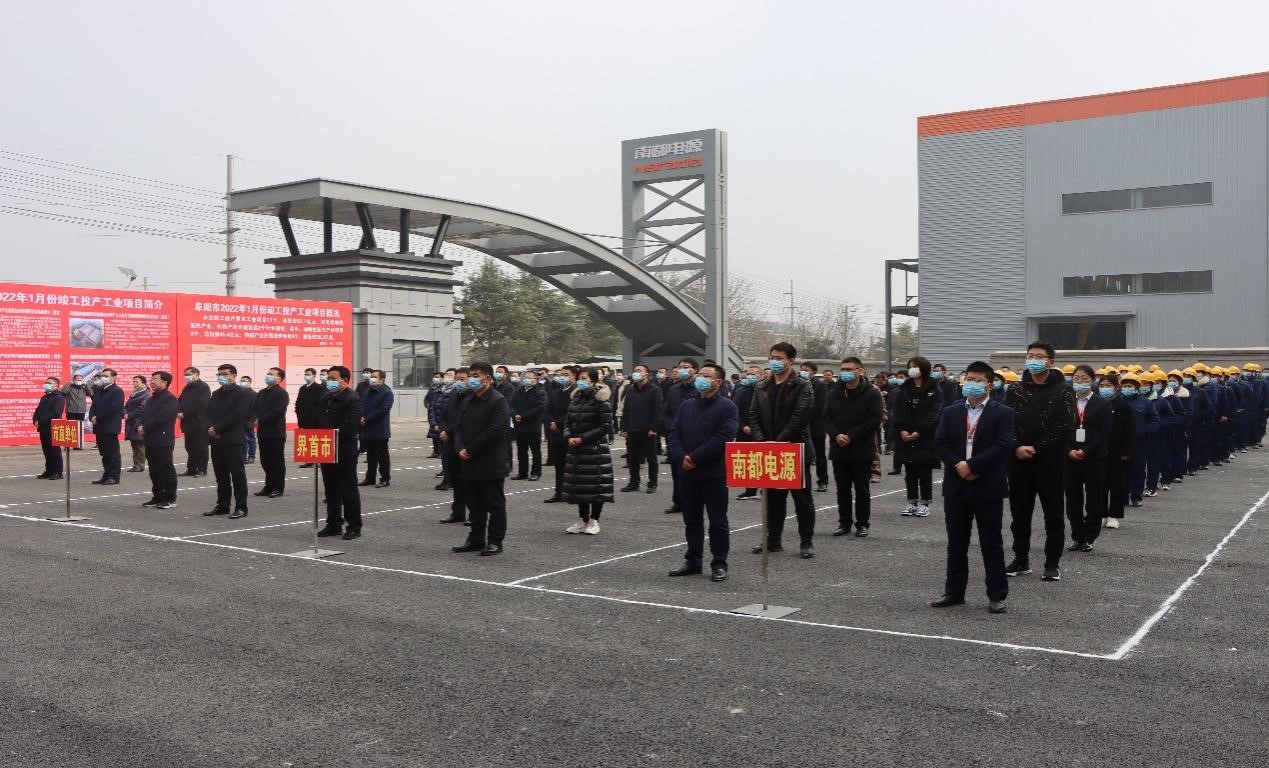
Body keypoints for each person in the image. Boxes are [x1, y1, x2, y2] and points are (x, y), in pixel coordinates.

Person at [930, 361, 1015, 614]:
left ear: (989, 384)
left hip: (987, 485)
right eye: (969, 379)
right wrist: (959, 464)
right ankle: (954, 592)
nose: (972, 384)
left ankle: (997, 595)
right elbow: (940, 442)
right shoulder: (952, 411)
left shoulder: (1003, 412)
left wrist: (974, 465)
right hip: (957, 485)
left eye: (978, 380)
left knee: (991, 543)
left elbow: (1003, 445)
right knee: (956, 543)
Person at [1004, 341, 1076, 582]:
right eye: (1030, 356)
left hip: (1050, 461)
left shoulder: (1064, 390)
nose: (1033, 360)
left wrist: (1037, 447)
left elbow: (1065, 425)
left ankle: (1052, 563)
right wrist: (1016, 446)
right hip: (1018, 461)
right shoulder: (1015, 389)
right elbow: (1007, 421)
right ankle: (1020, 558)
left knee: (1053, 514)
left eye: (1039, 356)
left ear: (1050, 362)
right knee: (1019, 513)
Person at [746, 342, 817, 558]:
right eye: (772, 357)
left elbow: (800, 416)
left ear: (791, 360)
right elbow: (753, 414)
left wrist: (779, 441)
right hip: (768, 450)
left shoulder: (802, 385)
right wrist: (761, 440)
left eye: (779, 358)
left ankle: (806, 542)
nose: (774, 361)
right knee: (773, 499)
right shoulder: (762, 386)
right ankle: (773, 540)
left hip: (793, 449)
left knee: (802, 499)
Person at [668, 363, 738, 580]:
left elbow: (723, 437)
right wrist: (681, 457)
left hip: (713, 474)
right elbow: (674, 434)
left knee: (717, 521)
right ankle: (693, 561)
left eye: (706, 376)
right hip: (687, 474)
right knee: (692, 521)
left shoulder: (727, 407)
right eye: (700, 375)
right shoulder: (687, 406)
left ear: (718, 382)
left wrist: (695, 457)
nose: (701, 379)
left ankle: (719, 563)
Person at [451, 362, 511, 555]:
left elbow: (496, 430)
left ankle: (495, 541)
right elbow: (458, 427)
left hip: (490, 461)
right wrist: (460, 448)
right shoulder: (469, 400)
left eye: (476, 375)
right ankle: (476, 539)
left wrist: (470, 449)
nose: (472, 379)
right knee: (474, 503)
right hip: (469, 461)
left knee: (494, 503)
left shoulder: (497, 400)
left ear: (487, 378)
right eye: (471, 375)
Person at [823, 357, 883, 538]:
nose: (845, 372)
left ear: (859, 371)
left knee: (862, 489)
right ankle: (844, 523)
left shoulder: (871, 393)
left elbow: (874, 419)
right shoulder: (834, 393)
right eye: (843, 369)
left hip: (861, 448)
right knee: (842, 489)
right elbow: (826, 417)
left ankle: (862, 524)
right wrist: (836, 435)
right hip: (839, 448)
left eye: (849, 369)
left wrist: (851, 435)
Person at [561, 368, 615, 535]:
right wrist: (568, 436)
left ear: (593, 380)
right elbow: (567, 421)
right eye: (579, 378)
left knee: (597, 485)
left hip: (595, 449)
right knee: (580, 485)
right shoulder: (575, 398)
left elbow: (605, 426)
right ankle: (582, 519)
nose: (581, 381)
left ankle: (594, 520)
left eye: (584, 378)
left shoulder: (601, 400)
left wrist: (583, 438)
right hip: (576, 449)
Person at [1064, 365, 1112, 552]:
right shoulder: (1067, 402)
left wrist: (1086, 450)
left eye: (1084, 378)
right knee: (1072, 498)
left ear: (1092, 380)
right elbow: (1060, 428)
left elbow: (1105, 431)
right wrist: (1069, 450)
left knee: (1094, 498)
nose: (1079, 381)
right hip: (1070, 457)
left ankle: (1090, 537)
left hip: (1094, 457)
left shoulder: (1102, 403)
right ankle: (1077, 535)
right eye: (1076, 378)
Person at [316, 366, 364, 540]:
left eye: (334, 378)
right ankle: (334, 523)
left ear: (345, 380)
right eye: (329, 378)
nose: (330, 381)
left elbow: (349, 427)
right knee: (330, 489)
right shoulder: (326, 397)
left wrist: (329, 435)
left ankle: (354, 526)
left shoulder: (352, 398)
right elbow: (319, 420)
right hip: (326, 448)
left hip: (344, 449)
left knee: (348, 489)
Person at [892, 356, 943, 517]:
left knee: (924, 471)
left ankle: (925, 503)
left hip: (925, 437)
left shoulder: (934, 389)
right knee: (910, 472)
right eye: (909, 366)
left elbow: (933, 414)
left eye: (915, 366)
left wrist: (919, 431)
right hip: (905, 436)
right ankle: (911, 502)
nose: (911, 369)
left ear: (923, 368)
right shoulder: (904, 389)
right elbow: (897, 411)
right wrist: (901, 429)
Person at [204, 364, 253, 519]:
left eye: (224, 374)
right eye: (219, 374)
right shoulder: (216, 393)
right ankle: (222, 505)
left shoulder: (241, 393)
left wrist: (217, 428)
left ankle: (241, 507)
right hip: (216, 440)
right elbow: (207, 413)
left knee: (237, 475)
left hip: (233, 440)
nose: (221, 377)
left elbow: (238, 415)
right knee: (221, 475)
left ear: (234, 376)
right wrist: (211, 428)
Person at [662, 358, 700, 514]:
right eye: (681, 367)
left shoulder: (700, 389)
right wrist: (673, 429)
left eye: (686, 367)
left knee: (694, 472)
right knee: (676, 472)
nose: (683, 370)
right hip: (676, 438)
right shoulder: (673, 390)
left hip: (695, 438)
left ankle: (694, 503)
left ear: (695, 370)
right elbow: (667, 412)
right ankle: (678, 502)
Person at [620, 363, 664, 494]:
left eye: (639, 370)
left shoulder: (654, 390)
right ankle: (634, 482)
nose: (636, 373)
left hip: (648, 430)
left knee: (651, 458)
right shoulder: (631, 390)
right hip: (633, 429)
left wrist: (654, 428)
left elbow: (658, 411)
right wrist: (624, 428)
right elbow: (626, 410)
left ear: (646, 374)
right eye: (635, 370)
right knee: (632, 458)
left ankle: (652, 483)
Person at [138, 371, 180, 509]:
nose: (152, 382)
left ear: (165, 382)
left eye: (155, 379)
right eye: (151, 379)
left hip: (163, 439)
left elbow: (162, 418)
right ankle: (157, 496)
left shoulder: (170, 399)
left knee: (165, 469)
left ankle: (170, 498)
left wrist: (145, 427)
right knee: (154, 470)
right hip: (150, 438)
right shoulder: (151, 399)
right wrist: (140, 425)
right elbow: (144, 415)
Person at [1099, 373, 1134, 529]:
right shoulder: (1096, 404)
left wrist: (1127, 451)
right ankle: (1101, 514)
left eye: (1108, 386)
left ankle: (1114, 515)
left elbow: (1129, 430)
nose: (1104, 389)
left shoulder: (1123, 406)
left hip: (1117, 451)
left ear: (1116, 387)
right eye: (1101, 386)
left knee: (1116, 485)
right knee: (1099, 485)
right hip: (1098, 450)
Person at [1120, 372, 1159, 510]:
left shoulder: (1146, 403)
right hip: (1120, 443)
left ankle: (1136, 497)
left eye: (1130, 386)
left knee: (1138, 471)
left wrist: (1144, 432)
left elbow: (1154, 421)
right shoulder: (1117, 402)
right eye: (1124, 386)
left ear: (1136, 387)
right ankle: (1123, 497)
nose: (1127, 388)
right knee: (1121, 471)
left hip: (1139, 443)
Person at [437, 367, 471, 523]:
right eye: (457, 379)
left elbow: (462, 420)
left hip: (463, 442)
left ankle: (474, 514)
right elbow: (444, 415)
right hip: (450, 443)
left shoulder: (472, 397)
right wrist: (443, 429)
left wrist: (448, 431)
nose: (458, 382)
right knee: (456, 481)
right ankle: (458, 512)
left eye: (462, 379)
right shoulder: (454, 395)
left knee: (469, 481)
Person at [253, 367, 290, 498]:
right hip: (263, 432)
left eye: (271, 374)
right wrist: (254, 419)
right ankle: (268, 486)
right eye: (268, 373)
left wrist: (260, 421)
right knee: (265, 461)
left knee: (277, 462)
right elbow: (255, 408)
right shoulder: (262, 392)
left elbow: (278, 412)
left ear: (279, 379)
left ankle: (278, 487)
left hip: (276, 433)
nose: (268, 376)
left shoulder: (281, 393)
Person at [542, 367, 576, 504]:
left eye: (566, 374)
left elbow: (572, 412)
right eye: (560, 374)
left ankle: (572, 492)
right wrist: (551, 423)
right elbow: (546, 410)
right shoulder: (555, 393)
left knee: (572, 466)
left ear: (573, 377)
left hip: (570, 433)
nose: (562, 377)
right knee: (559, 465)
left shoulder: (576, 393)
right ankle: (559, 492)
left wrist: (558, 423)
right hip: (555, 434)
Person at [358, 369, 394, 488]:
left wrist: (367, 419)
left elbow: (384, 409)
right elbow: (361, 405)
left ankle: (385, 479)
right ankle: (370, 478)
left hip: (379, 429)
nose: (371, 379)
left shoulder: (387, 392)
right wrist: (361, 417)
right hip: (367, 428)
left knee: (382, 456)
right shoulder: (367, 391)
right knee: (371, 456)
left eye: (374, 377)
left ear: (381, 380)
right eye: (371, 377)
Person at [88, 369, 124, 485]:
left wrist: (98, 418)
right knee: (104, 453)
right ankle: (107, 475)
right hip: (99, 426)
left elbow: (113, 408)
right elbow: (93, 406)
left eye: (106, 376)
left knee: (112, 453)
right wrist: (92, 416)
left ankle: (114, 476)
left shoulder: (117, 391)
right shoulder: (99, 390)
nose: (103, 378)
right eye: (102, 376)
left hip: (110, 426)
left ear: (113, 378)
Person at [511, 370, 548, 481]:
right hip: (519, 425)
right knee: (521, 451)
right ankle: (522, 472)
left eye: (529, 377)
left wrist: (523, 416)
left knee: (535, 452)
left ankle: (536, 473)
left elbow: (539, 407)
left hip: (533, 426)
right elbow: (511, 405)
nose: (526, 379)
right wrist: (514, 415)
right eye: (525, 377)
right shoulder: (518, 391)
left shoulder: (540, 392)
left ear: (536, 380)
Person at [731, 365, 761, 500]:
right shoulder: (740, 391)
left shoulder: (764, 390)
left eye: (753, 374)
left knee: (761, 460)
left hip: (760, 431)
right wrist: (743, 426)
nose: (750, 376)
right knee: (747, 461)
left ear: (760, 375)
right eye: (748, 374)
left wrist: (755, 427)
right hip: (743, 430)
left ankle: (765, 488)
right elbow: (734, 410)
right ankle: (750, 489)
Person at [800, 361, 830, 492]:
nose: (803, 372)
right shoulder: (798, 384)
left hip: (816, 426)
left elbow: (819, 406)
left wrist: (804, 416)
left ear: (814, 372)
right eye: (802, 369)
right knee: (802, 456)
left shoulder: (820, 385)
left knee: (819, 455)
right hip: (801, 427)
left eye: (806, 370)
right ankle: (801, 481)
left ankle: (822, 481)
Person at [178, 367, 210, 477]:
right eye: (185, 374)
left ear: (196, 374)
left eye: (188, 374)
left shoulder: (203, 387)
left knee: (201, 447)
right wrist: (178, 411)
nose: (186, 376)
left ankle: (202, 469)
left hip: (200, 422)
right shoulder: (187, 387)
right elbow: (180, 401)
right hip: (188, 423)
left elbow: (201, 404)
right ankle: (191, 468)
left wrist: (185, 414)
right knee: (190, 447)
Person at [33, 376, 66, 479]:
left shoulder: (59, 397)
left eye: (49, 383)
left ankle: (58, 472)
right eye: (46, 382)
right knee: (47, 451)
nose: (46, 384)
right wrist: (35, 420)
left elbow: (55, 413)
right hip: (43, 428)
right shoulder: (44, 397)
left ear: (56, 386)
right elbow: (37, 410)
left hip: (52, 427)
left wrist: (41, 421)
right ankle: (49, 471)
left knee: (54, 451)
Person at [294, 367, 324, 467]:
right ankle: (309, 460)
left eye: (308, 374)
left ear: (314, 376)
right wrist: (299, 416)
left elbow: (320, 405)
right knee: (307, 440)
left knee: (315, 440)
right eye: (305, 374)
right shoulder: (302, 388)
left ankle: (318, 461)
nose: (306, 376)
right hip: (304, 419)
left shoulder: (319, 388)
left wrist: (316, 418)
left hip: (315, 419)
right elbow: (298, 403)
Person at [124, 374, 151, 473]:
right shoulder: (134, 394)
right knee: (134, 445)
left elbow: (142, 409)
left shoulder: (146, 395)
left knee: (140, 445)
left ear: (143, 383)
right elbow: (126, 406)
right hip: (131, 422)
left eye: (137, 382)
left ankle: (140, 465)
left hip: (139, 422)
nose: (134, 384)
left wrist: (129, 415)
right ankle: (136, 465)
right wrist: (125, 413)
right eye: (133, 382)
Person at [61, 373, 88, 449]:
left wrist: (86, 384)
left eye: (80, 380)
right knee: (70, 428)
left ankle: (78, 445)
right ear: (73, 380)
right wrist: (69, 383)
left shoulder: (83, 387)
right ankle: (68, 445)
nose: (79, 381)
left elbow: (91, 393)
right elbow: (63, 392)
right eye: (77, 379)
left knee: (79, 428)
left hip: (81, 411)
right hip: (71, 410)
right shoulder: (70, 387)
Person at [425, 370, 446, 458]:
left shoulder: (443, 388)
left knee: (440, 434)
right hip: (432, 414)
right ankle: (435, 451)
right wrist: (427, 405)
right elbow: (426, 399)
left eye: (437, 377)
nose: (435, 379)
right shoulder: (432, 388)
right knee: (433, 434)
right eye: (434, 377)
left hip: (439, 414)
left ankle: (441, 452)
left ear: (442, 378)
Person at [238, 375, 258, 464]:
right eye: (242, 380)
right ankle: (243, 457)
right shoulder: (239, 393)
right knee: (242, 440)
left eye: (245, 381)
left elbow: (256, 409)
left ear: (249, 382)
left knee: (250, 439)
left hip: (249, 420)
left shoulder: (253, 394)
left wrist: (252, 420)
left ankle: (251, 456)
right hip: (240, 420)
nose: (242, 382)